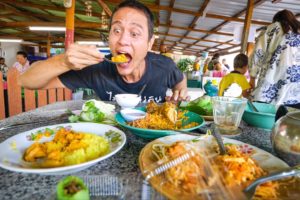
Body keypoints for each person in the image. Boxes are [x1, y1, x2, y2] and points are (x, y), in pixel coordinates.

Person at [18, 0, 188, 103]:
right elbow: (26, 81)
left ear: (149, 43)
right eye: (116, 30)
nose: (122, 40)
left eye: (134, 33)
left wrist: (179, 91)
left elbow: (180, 80)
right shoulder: (97, 68)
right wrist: (63, 61)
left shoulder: (164, 66)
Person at [249, 9, 300, 105]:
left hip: (271, 82)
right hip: (296, 93)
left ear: (277, 20)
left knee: (267, 116)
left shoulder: (273, 28)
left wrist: (252, 77)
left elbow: (258, 53)